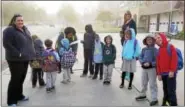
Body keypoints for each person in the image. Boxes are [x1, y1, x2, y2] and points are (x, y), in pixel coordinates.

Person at [3, 14, 35, 106]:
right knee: (15, 79)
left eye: (22, 20)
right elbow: (6, 44)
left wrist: (32, 55)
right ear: (14, 21)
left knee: (21, 78)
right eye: (18, 20)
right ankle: (11, 101)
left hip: (25, 58)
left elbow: (29, 43)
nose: (21, 22)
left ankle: (19, 95)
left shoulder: (25, 29)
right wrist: (18, 53)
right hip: (15, 59)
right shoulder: (9, 30)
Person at [155, 33, 178, 106]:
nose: (158, 39)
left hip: (170, 73)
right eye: (156, 39)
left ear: (163, 37)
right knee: (165, 89)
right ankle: (166, 102)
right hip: (163, 74)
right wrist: (158, 74)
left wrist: (172, 70)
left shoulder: (170, 47)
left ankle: (173, 104)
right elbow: (157, 63)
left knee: (171, 90)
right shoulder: (158, 50)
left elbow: (174, 60)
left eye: (159, 37)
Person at [135, 35, 158, 106]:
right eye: (148, 40)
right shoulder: (144, 49)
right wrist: (142, 62)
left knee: (152, 84)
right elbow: (140, 56)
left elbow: (157, 60)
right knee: (143, 82)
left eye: (151, 39)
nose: (149, 41)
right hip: (144, 68)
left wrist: (151, 63)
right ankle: (143, 94)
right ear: (145, 41)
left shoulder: (155, 50)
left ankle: (154, 98)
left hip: (152, 69)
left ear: (153, 41)